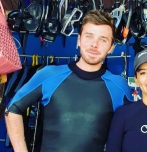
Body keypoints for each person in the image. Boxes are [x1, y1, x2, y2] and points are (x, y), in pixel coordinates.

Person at [5, 10, 134, 152]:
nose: (94, 45)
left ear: (111, 48)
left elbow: (133, 131)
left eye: (103, 39)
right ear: (78, 40)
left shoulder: (119, 86)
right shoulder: (49, 75)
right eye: (89, 37)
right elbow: (12, 110)